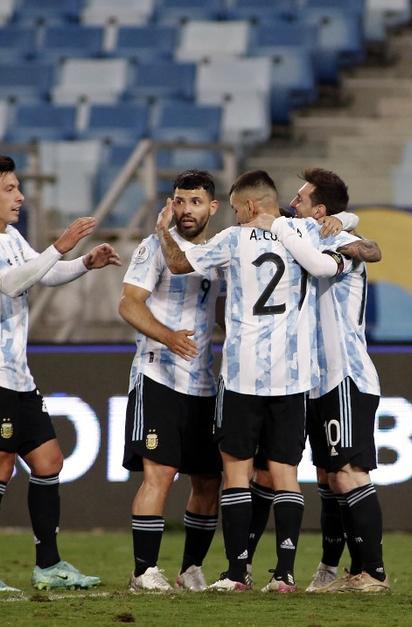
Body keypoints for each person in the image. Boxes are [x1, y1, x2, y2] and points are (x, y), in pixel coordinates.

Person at [156, 170, 349, 593]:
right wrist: (340, 221)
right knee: (285, 474)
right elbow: (347, 232)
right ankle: (284, 575)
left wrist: (162, 231)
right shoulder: (302, 231)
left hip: (243, 374)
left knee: (237, 473)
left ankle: (238, 573)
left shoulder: (232, 238)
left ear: (247, 206)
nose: (235, 214)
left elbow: (176, 263)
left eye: (235, 207)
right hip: (292, 376)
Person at [0, 155, 121, 593]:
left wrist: (85, 262)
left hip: (18, 374)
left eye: (18, 187)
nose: (20, 196)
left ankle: (49, 566)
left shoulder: (10, 235)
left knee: (49, 461)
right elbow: (11, 283)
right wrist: (61, 245)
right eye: (10, 188)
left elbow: (43, 275)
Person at [246, 168, 389, 594]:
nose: (293, 202)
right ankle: (332, 568)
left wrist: (347, 227)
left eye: (302, 198)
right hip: (314, 379)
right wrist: (343, 220)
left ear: (320, 209)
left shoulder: (327, 237)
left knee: (347, 472)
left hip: (344, 372)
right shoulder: (312, 232)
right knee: (327, 476)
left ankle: (373, 572)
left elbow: (373, 250)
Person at [118, 170, 225, 592]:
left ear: (212, 208)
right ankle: (144, 571)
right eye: (179, 201)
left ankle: (190, 569)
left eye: (195, 202)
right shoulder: (153, 247)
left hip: (202, 383)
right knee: (160, 473)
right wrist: (168, 337)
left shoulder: (218, 253)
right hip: (157, 372)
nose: (185, 210)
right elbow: (128, 304)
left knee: (208, 479)